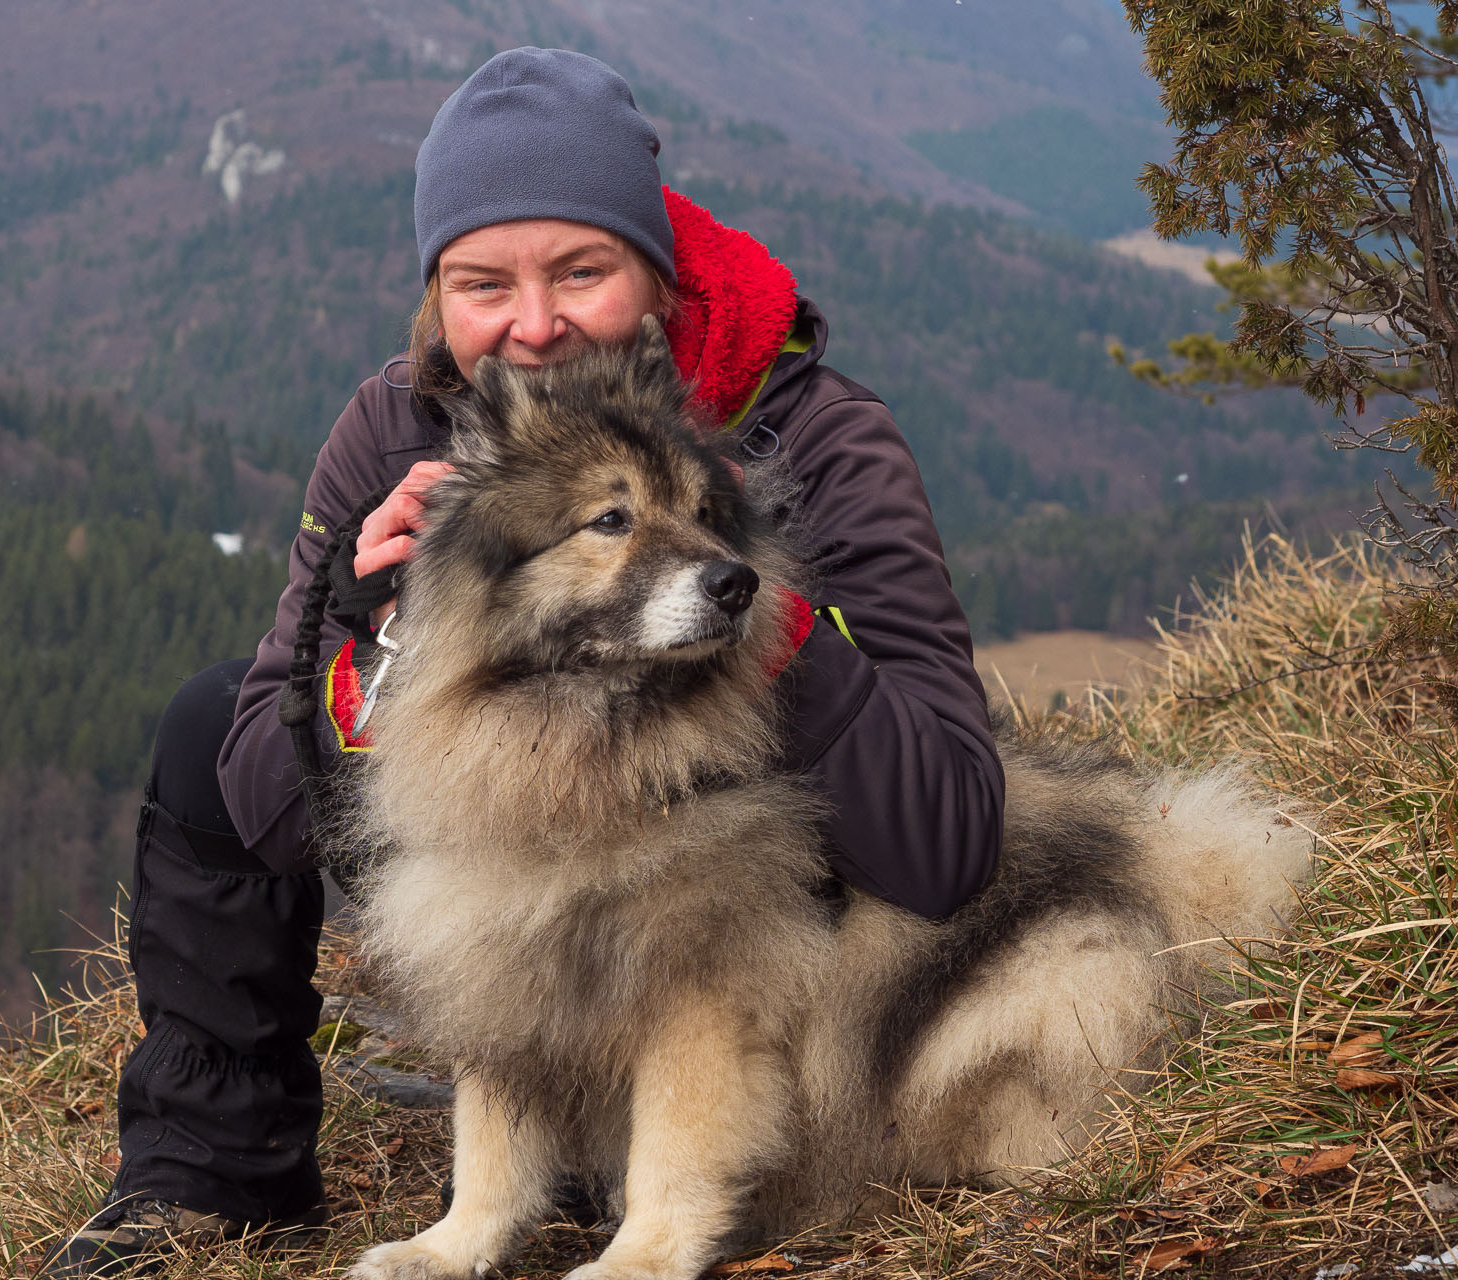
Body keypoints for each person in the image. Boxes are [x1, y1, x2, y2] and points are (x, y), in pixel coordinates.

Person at [50, 46, 1003, 1276]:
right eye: (482, 282)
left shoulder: (817, 433)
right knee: (203, 723)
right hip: (538, 943)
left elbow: (951, 839)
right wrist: (374, 628)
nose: (534, 324)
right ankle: (209, 1171)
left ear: (656, 279)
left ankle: (699, 1158)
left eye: (582, 270)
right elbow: (263, 810)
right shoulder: (393, 425)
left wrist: (758, 625)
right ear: (439, 296)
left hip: (769, 964)